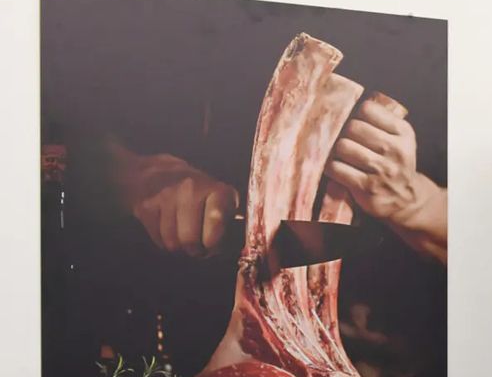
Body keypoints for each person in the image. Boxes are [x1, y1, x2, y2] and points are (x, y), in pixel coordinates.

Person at [109, 92, 448, 265]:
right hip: (196, 326)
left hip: (404, 370)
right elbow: (73, 138)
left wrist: (420, 205)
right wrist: (142, 178)